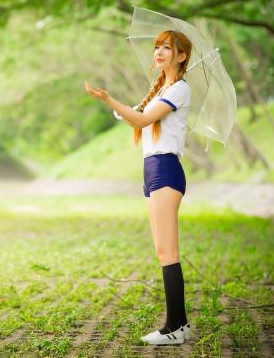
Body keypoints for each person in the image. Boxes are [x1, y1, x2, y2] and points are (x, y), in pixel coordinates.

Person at [84, 29, 193, 345]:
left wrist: (108, 99)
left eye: (167, 47)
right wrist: (118, 107)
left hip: (166, 170)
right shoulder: (161, 89)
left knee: (168, 250)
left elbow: (143, 121)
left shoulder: (181, 89)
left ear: (181, 55)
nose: (158, 51)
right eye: (157, 47)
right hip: (152, 169)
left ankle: (175, 327)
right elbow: (137, 116)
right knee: (162, 250)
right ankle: (179, 324)